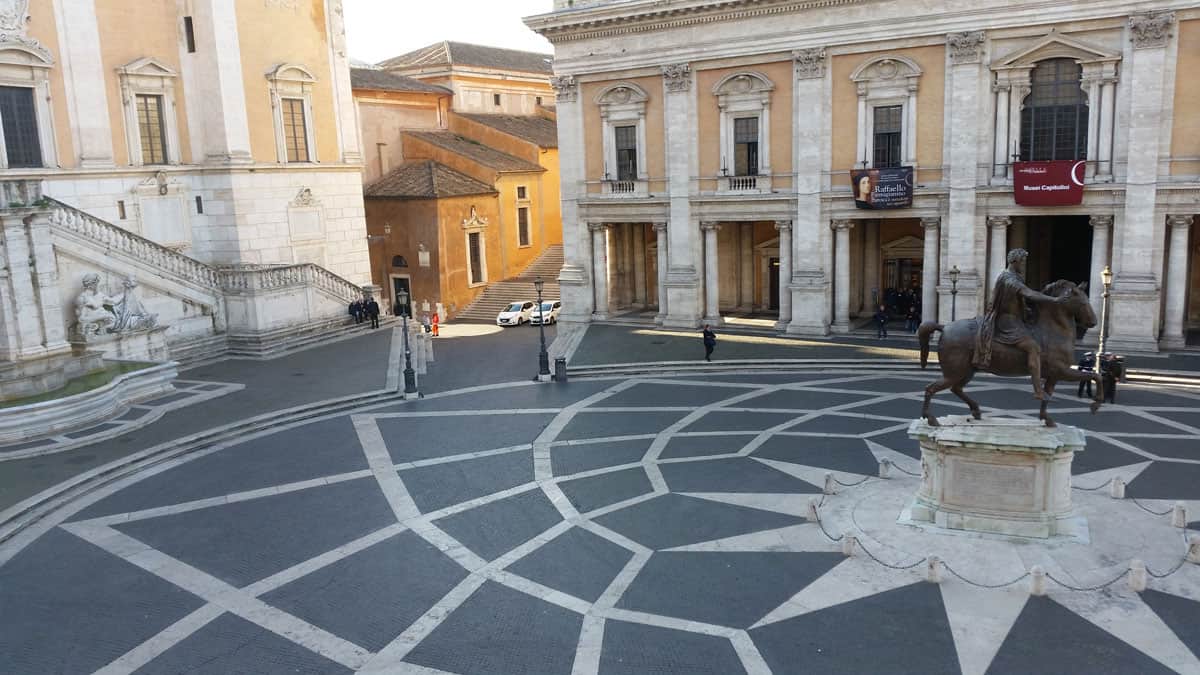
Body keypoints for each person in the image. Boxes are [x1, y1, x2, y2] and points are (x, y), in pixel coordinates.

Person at [974, 248, 1066, 400]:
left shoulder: (1014, 277)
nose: (1024, 265)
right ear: (1014, 261)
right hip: (1007, 321)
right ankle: (1038, 390)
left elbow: (1023, 298)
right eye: (1022, 262)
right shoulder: (1009, 279)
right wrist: (1054, 300)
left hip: (1016, 318)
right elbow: (1028, 293)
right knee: (1033, 347)